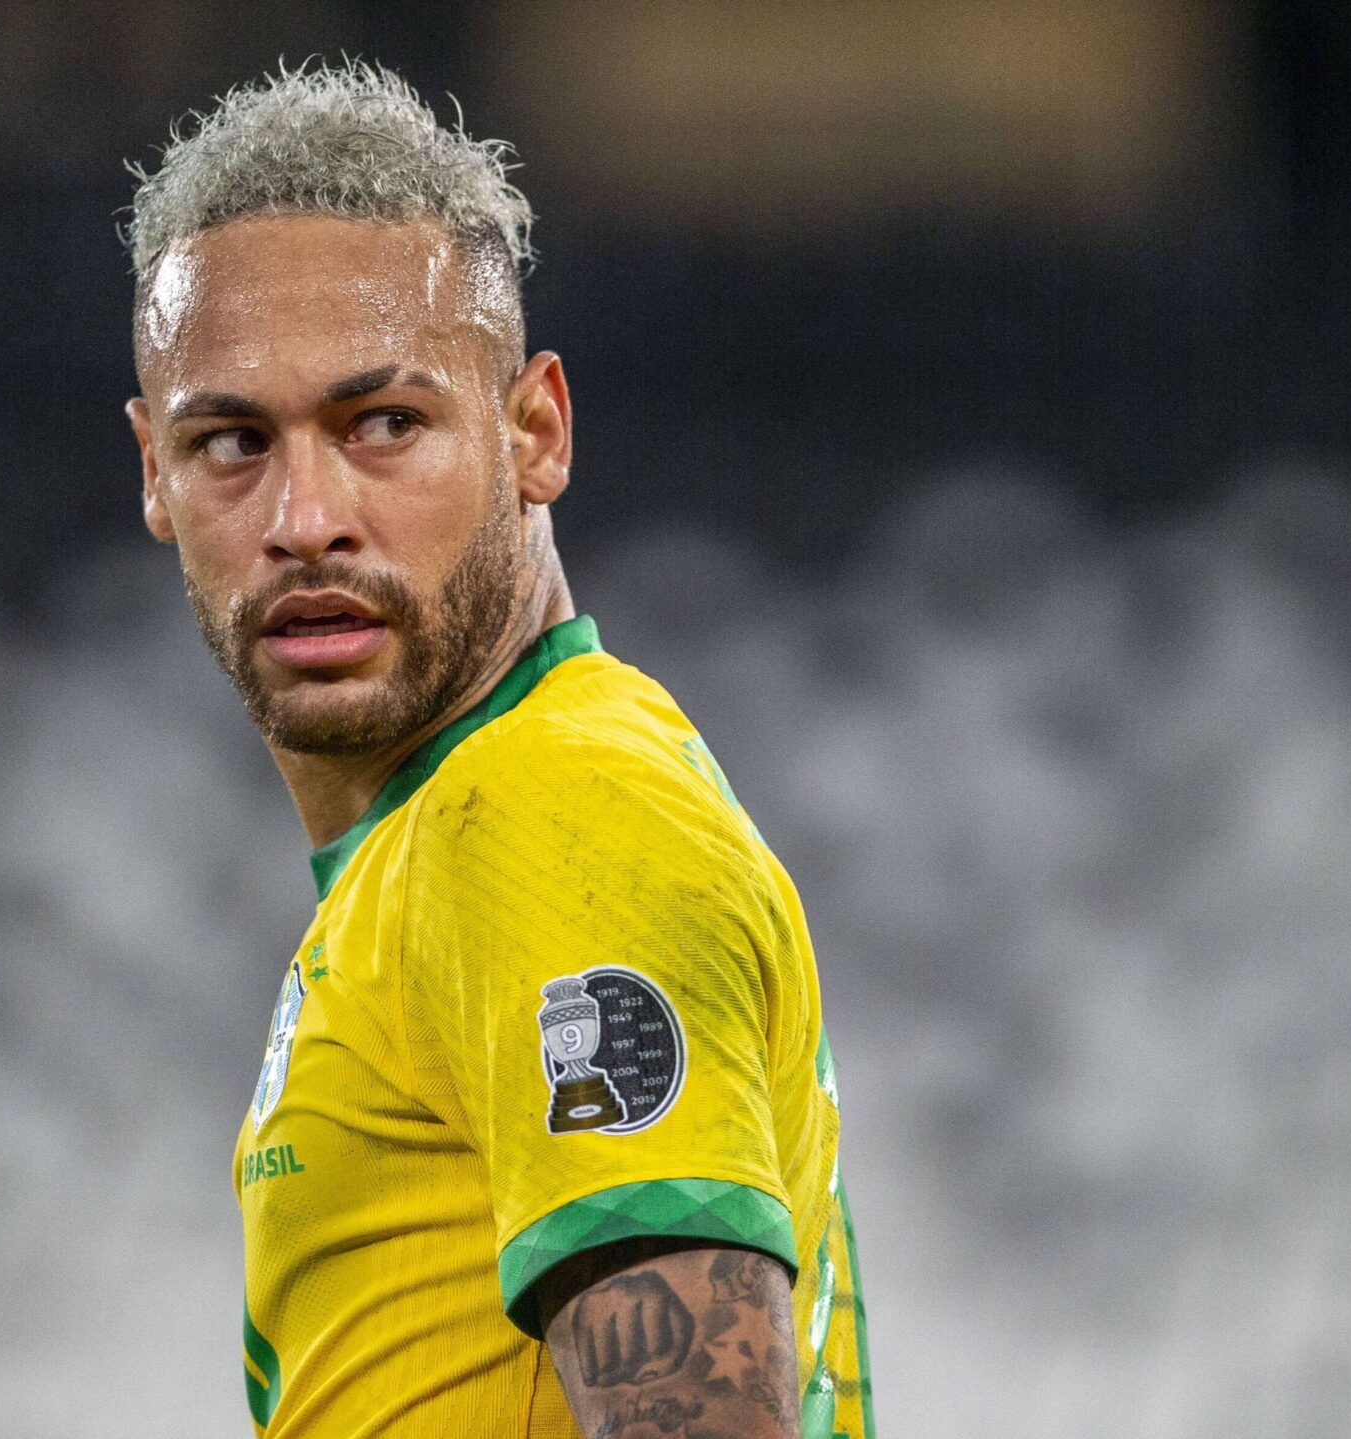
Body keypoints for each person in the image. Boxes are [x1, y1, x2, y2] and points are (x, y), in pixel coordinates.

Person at [121, 62, 873, 1438]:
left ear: (535, 432)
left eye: (384, 425)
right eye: (230, 441)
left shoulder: (544, 810)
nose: (304, 518)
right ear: (154, 474)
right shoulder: (441, 843)